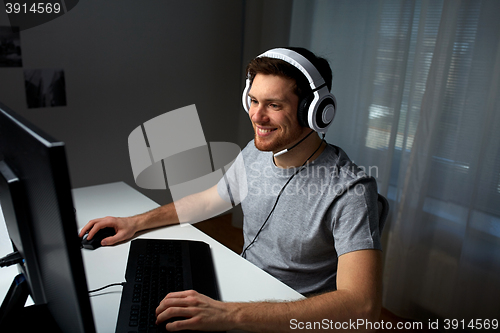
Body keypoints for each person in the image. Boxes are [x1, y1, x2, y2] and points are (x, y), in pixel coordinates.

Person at [80, 47, 384, 332]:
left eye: (274, 105)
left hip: (288, 319)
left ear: (315, 111)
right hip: (240, 293)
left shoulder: (351, 190)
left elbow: (362, 307)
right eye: (253, 100)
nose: (256, 116)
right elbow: (212, 199)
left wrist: (229, 314)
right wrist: (134, 222)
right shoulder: (257, 151)